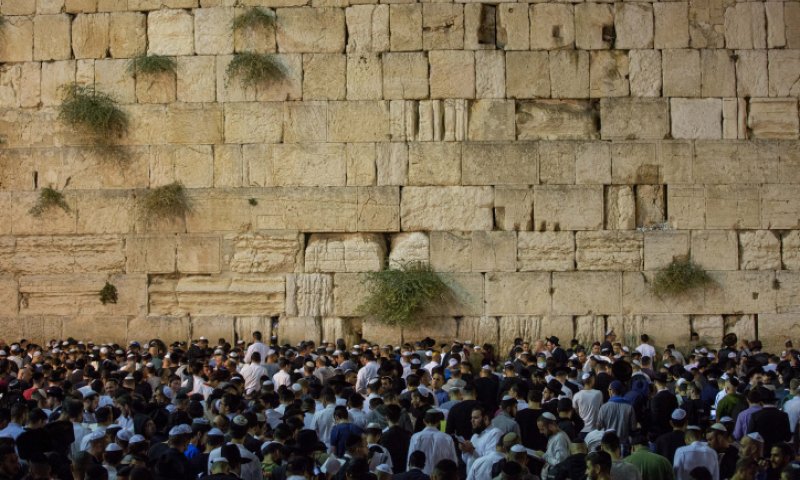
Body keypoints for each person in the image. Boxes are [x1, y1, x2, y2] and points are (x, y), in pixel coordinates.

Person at [407, 410, 457, 476]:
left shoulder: (416, 437)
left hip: (420, 476)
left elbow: (410, 460)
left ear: (424, 421)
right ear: (439, 422)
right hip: (441, 476)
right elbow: (453, 461)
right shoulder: (447, 438)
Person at [460, 405, 503, 473]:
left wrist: (471, 450)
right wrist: (465, 450)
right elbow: (468, 461)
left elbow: (490, 461)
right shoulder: (475, 435)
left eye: (475, 418)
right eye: (472, 418)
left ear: (485, 419)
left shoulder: (495, 433)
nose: (472, 421)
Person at [535, 412, 570, 478]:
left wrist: (544, 456)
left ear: (550, 426)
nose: (541, 432)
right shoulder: (553, 435)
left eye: (542, 429)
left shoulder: (560, 438)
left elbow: (559, 463)